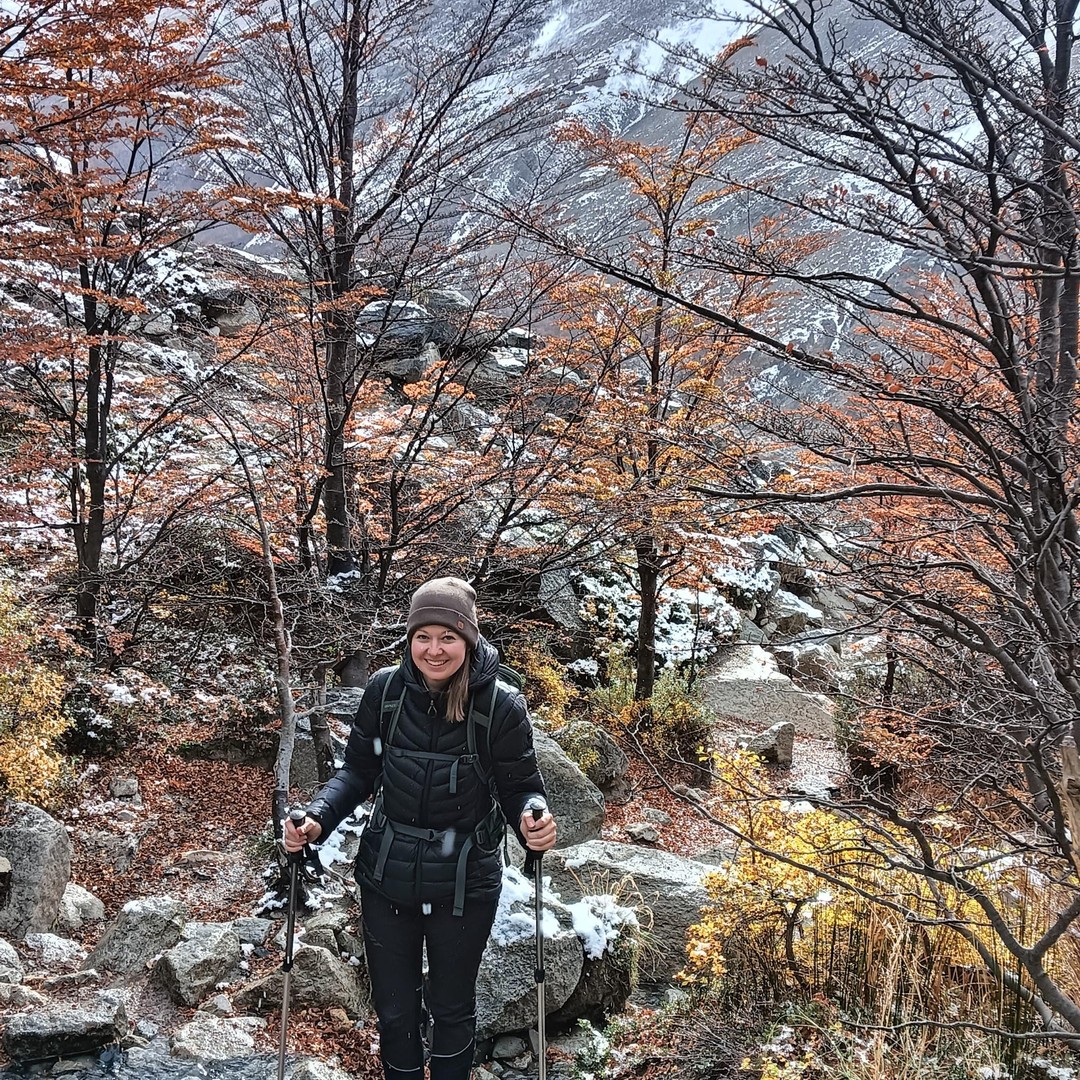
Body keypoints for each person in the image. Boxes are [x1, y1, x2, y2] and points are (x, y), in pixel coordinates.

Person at [284, 577, 557, 1080]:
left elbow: (521, 787)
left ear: (468, 639)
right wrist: (318, 816)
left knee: (452, 1008)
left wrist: (533, 821)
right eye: (423, 636)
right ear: (409, 639)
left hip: (464, 884)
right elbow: (357, 772)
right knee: (395, 1014)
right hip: (387, 875)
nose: (434, 650)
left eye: (448, 637)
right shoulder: (385, 691)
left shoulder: (500, 706)